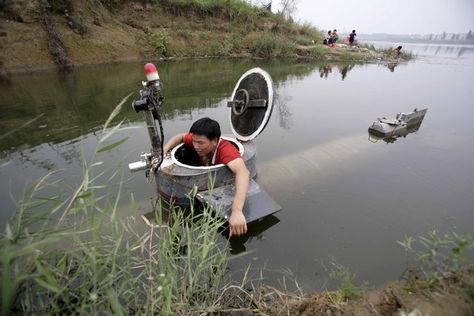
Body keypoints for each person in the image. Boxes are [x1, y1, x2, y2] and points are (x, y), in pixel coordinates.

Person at [163, 117, 250, 237]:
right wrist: (166, 148)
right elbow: (181, 137)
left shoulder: (225, 150)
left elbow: (243, 173)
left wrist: (236, 211)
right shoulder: (197, 141)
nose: (196, 146)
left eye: (200, 143)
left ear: (214, 141)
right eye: (194, 141)